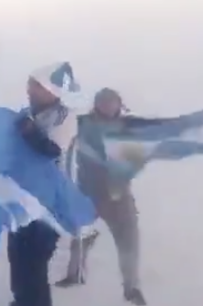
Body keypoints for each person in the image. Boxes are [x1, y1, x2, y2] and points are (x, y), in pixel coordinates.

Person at [54, 88, 148, 305]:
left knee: (129, 242)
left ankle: (131, 288)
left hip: (119, 195)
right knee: (80, 235)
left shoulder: (127, 127)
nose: (107, 106)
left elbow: (140, 153)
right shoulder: (82, 123)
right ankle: (74, 275)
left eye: (111, 102)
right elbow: (63, 136)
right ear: (96, 104)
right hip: (89, 191)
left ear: (118, 104)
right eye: (103, 102)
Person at [8, 63, 79, 306]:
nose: (29, 89)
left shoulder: (65, 117)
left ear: (52, 91)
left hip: (48, 206)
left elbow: (51, 151)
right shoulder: (27, 113)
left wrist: (28, 132)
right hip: (21, 200)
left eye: (36, 85)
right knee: (18, 262)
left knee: (34, 266)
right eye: (30, 83)